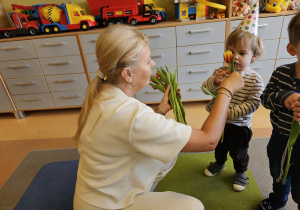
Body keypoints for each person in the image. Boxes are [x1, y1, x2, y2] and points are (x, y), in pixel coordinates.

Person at [73, 24, 244, 210]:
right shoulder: (133, 114)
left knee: (166, 153)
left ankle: (142, 192)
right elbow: (209, 141)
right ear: (128, 74)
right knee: (194, 207)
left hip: (91, 196)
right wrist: (226, 90)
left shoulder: (101, 94)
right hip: (107, 206)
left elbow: (131, 130)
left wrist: (160, 112)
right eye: (148, 61)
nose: (153, 64)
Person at [202, 28, 264, 192]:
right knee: (219, 146)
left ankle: (241, 172)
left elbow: (253, 103)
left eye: (242, 53)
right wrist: (216, 82)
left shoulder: (255, 79)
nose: (235, 57)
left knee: (239, 152)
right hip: (219, 123)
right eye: (231, 51)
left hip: (239, 126)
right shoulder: (221, 72)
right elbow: (205, 89)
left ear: (253, 57)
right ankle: (220, 163)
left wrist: (227, 113)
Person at [258, 11, 300, 210]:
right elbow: (265, 99)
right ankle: (278, 200)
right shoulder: (281, 73)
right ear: (292, 49)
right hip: (280, 138)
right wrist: (283, 97)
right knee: (279, 174)